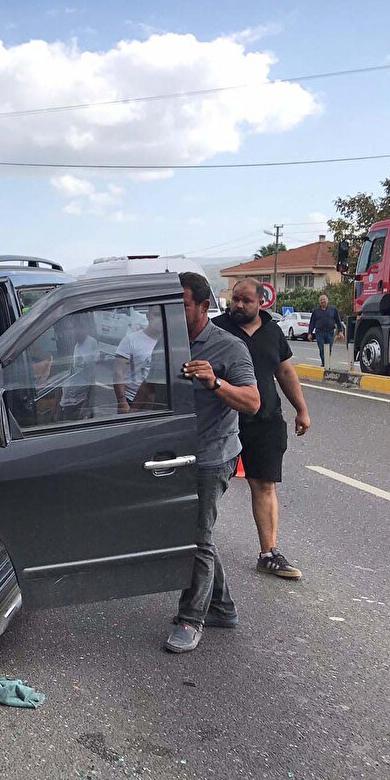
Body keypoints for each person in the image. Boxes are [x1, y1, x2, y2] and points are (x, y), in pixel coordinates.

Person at [166, 272, 261, 654]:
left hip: (212, 455)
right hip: (175, 454)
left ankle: (192, 619)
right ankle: (222, 606)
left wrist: (215, 383)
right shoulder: (169, 342)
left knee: (197, 537)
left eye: (183, 304)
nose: (175, 311)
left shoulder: (229, 347)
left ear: (204, 307)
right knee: (196, 531)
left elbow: (253, 401)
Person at [213, 280, 310, 578]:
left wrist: (302, 410)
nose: (239, 305)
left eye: (246, 300)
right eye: (235, 299)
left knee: (265, 485)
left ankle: (268, 553)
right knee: (208, 484)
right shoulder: (215, 329)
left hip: (265, 421)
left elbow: (285, 371)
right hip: (221, 422)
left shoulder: (273, 331)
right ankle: (195, 547)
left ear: (260, 303)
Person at [114, 308, 165, 413]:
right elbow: (118, 372)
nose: (159, 319)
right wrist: (122, 401)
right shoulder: (131, 340)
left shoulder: (168, 342)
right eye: (156, 315)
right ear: (148, 316)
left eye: (162, 315)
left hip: (155, 401)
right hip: (131, 400)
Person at [308, 294, 345, 368]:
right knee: (322, 349)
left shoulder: (333, 309)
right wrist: (310, 333)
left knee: (328, 349)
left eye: (324, 299)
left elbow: (338, 321)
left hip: (330, 332)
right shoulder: (316, 311)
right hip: (319, 332)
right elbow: (312, 322)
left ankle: (326, 364)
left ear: (327, 301)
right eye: (321, 300)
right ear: (319, 301)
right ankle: (324, 364)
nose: (322, 301)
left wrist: (340, 331)